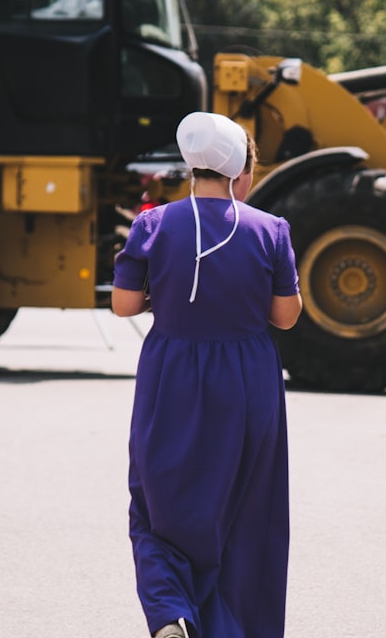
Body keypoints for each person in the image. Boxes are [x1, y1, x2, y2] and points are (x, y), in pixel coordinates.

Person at [111, 111, 302, 638]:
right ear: (240, 168)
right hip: (248, 376)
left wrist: (167, 297)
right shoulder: (270, 229)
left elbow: (124, 304)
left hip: (172, 370)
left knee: (155, 501)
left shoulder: (153, 223)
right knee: (247, 508)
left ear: (190, 166)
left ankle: (172, 610)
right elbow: (285, 315)